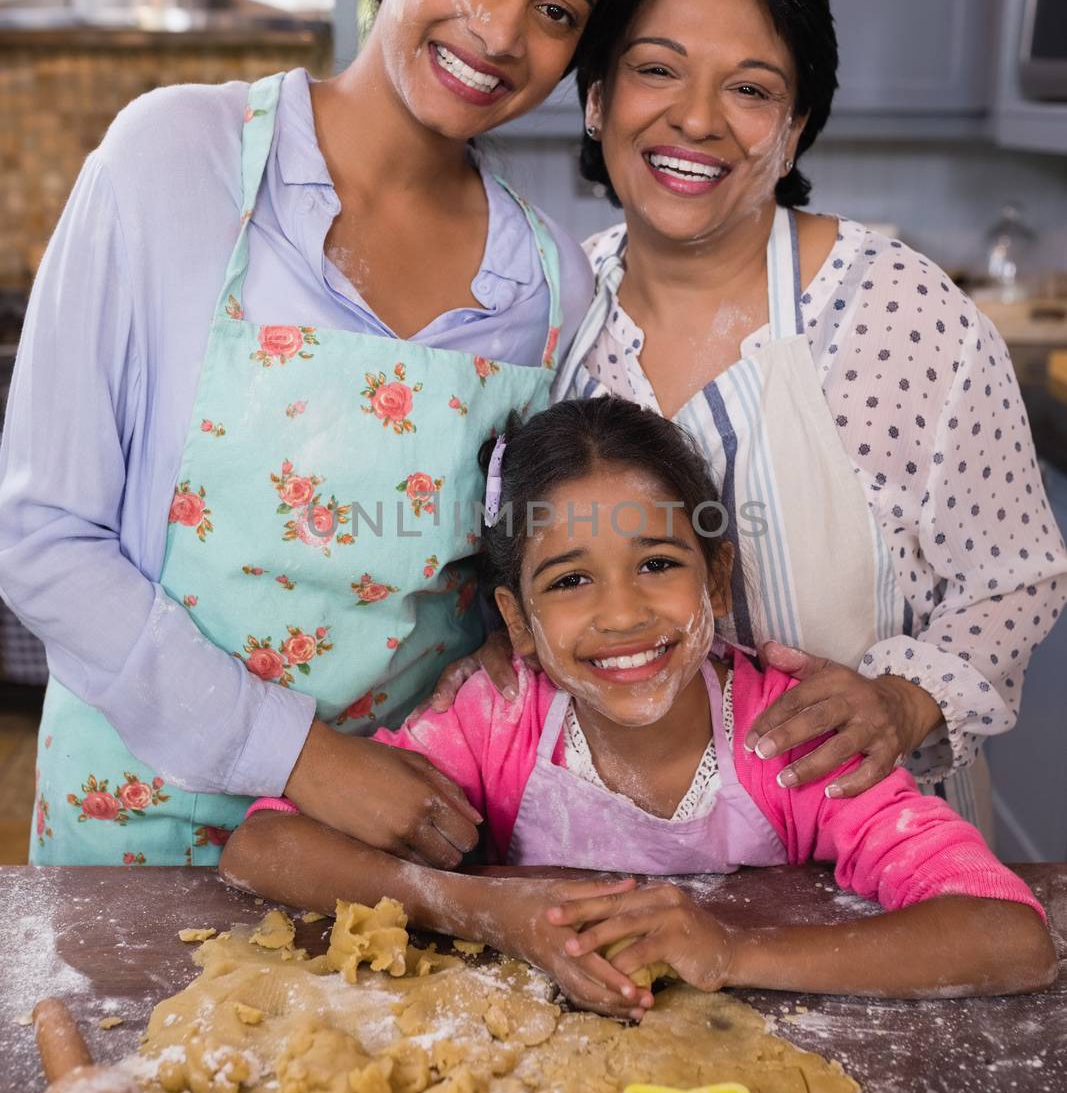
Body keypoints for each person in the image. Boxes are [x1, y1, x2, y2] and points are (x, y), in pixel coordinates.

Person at [0, 0, 645, 867]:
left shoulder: (548, 287)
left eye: (557, 10)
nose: (499, 33)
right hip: (137, 824)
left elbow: (503, 598)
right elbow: (44, 541)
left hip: (392, 852)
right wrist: (304, 758)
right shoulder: (178, 161)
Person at [436, 0, 1067, 840]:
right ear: (597, 98)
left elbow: (1015, 577)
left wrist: (900, 700)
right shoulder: (547, 316)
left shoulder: (900, 313)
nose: (696, 117)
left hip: (867, 861)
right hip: (606, 869)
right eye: (656, 70)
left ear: (794, 127)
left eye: (750, 88)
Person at [220, 398, 1056, 1017]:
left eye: (657, 564)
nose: (622, 615)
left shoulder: (794, 739)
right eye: (570, 581)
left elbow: (1007, 938)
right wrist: (486, 912)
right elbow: (262, 846)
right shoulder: (496, 721)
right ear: (518, 622)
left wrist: (733, 949)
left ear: (716, 579)